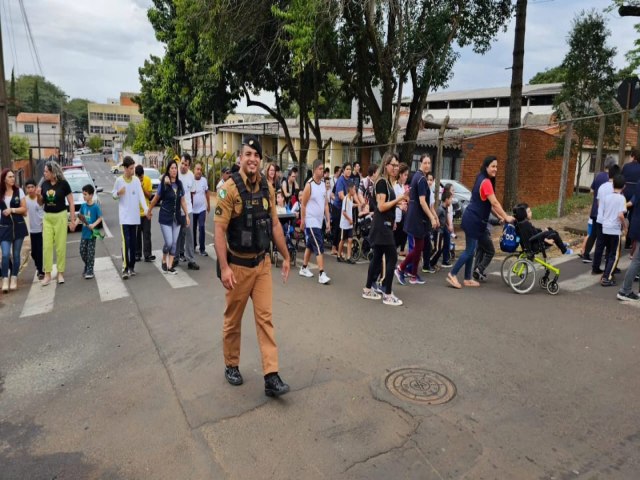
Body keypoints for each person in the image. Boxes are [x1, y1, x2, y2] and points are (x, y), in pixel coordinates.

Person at [214, 135, 291, 397]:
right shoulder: (229, 189)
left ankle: (271, 375)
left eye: (256, 155)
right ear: (240, 158)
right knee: (233, 321)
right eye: (248, 154)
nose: (253, 159)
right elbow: (219, 230)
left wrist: (287, 256)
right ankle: (231, 364)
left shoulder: (268, 188)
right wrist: (224, 268)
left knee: (265, 320)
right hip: (237, 267)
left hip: (262, 265)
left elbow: (275, 225)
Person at [446, 156, 514, 289]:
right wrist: (506, 217)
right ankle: (452, 274)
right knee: (470, 250)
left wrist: (501, 216)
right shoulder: (486, 182)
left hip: (478, 222)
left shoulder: (482, 178)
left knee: (471, 250)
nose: (495, 169)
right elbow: (494, 202)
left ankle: (467, 278)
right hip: (473, 220)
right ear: (486, 167)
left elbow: (491, 205)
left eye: (496, 167)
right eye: (493, 166)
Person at [362, 153, 409, 305]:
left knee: (377, 258)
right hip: (381, 226)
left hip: (385, 224)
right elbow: (381, 207)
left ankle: (368, 289)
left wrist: (397, 205)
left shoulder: (388, 183)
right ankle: (387, 293)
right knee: (392, 257)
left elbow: (386, 204)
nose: (396, 168)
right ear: (386, 165)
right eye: (393, 165)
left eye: (397, 165)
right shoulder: (381, 182)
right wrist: (400, 199)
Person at [395, 155, 437, 286]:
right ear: (420, 163)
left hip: (415, 216)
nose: (427, 165)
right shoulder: (421, 179)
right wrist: (432, 217)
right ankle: (401, 268)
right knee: (418, 246)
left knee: (419, 247)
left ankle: (413, 275)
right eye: (425, 162)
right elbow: (422, 201)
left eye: (429, 163)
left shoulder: (417, 177)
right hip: (417, 218)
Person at [148, 160, 189, 275]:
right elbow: (156, 199)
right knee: (169, 242)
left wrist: (186, 215)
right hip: (165, 217)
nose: (174, 170)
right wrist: (149, 210)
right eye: (171, 168)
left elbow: (183, 201)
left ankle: (170, 266)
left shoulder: (179, 184)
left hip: (177, 218)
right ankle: (164, 258)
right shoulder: (164, 184)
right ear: (168, 170)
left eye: (175, 168)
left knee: (175, 243)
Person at [112, 156, 149, 279]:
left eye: (133, 168)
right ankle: (125, 268)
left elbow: (141, 197)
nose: (133, 171)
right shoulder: (119, 181)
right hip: (124, 219)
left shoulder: (136, 181)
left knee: (133, 244)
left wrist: (147, 210)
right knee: (126, 243)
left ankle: (132, 267)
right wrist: (118, 193)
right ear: (125, 168)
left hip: (135, 218)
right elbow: (113, 195)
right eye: (131, 168)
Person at [40, 161, 76, 286]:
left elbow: (71, 202)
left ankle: (60, 273)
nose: (44, 173)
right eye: (44, 171)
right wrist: (37, 195)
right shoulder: (44, 184)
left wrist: (72, 220)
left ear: (53, 172)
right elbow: (41, 202)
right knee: (47, 247)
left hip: (60, 216)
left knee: (60, 247)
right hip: (47, 218)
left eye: (46, 171)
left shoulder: (64, 184)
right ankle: (47, 274)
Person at [299, 159, 331, 284]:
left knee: (310, 246)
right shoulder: (309, 185)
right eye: (320, 169)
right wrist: (303, 221)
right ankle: (322, 273)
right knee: (318, 245)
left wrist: (328, 220)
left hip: (319, 221)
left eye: (323, 169)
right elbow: (303, 205)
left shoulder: (323, 184)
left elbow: (326, 205)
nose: (323, 171)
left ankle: (304, 268)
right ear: (315, 170)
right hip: (311, 220)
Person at [580, 155, 617, 262]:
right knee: (605, 235)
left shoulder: (598, 176)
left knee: (593, 234)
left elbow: (592, 191)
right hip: (605, 211)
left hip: (595, 209)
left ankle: (586, 254)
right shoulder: (610, 179)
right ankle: (607, 256)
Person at [595, 174, 627, 286]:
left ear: (613, 184)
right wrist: (625, 226)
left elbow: (601, 210)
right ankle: (606, 277)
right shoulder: (622, 198)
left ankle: (606, 273)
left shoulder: (607, 197)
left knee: (608, 252)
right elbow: (621, 215)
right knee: (614, 254)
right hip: (615, 229)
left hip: (605, 227)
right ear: (624, 186)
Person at [0, 169, 28, 292]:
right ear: (4, 179)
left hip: (18, 226)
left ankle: (14, 277)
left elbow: (24, 209)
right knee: (5, 254)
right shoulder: (0, 193)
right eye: (10, 176)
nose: (13, 178)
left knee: (16, 255)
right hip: (4, 228)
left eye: (13, 176)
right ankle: (5, 278)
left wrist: (12, 210)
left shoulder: (19, 191)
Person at [592, 164, 621, 275]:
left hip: (600, 219)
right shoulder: (616, 188)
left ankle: (595, 267)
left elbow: (599, 203)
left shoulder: (602, 187)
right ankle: (610, 267)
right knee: (611, 246)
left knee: (600, 244)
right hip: (612, 221)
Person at [618, 178, 640, 301]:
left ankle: (625, 290)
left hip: (636, 224)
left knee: (637, 260)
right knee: (637, 260)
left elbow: (633, 201)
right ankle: (625, 290)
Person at [177, 153, 199, 270]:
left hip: (188, 210)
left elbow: (192, 193)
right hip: (176, 210)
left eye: (186, 164)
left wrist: (191, 210)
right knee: (177, 235)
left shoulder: (191, 176)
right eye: (182, 163)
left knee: (189, 235)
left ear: (189, 166)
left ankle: (190, 259)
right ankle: (175, 258)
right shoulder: (175, 173)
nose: (183, 166)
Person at [77, 184, 103, 279]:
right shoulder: (83, 206)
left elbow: (100, 218)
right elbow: (80, 216)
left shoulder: (95, 207)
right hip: (84, 234)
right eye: (83, 194)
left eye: (85, 194)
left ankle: (90, 270)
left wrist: (93, 225)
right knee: (82, 251)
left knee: (90, 252)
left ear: (91, 195)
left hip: (92, 234)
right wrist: (74, 223)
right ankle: (87, 265)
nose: (84, 196)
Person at [135, 165, 156, 263]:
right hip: (136, 213)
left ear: (143, 174)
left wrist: (142, 188)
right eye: (138, 177)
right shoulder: (133, 181)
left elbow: (150, 196)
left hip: (146, 212)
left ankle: (147, 254)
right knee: (137, 235)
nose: (140, 179)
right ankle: (137, 254)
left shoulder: (147, 180)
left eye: (141, 177)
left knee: (147, 234)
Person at [24, 179, 44, 280]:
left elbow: (44, 212)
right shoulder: (25, 200)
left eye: (32, 187)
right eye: (28, 187)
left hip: (40, 229)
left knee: (39, 251)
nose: (30, 189)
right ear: (26, 189)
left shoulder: (40, 199)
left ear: (35, 188)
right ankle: (38, 266)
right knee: (33, 253)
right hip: (29, 231)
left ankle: (40, 271)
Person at [330, 163, 352, 255]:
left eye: (350, 169)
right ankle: (334, 248)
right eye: (347, 169)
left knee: (343, 229)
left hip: (346, 208)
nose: (349, 171)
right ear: (343, 170)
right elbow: (340, 195)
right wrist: (349, 202)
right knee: (337, 228)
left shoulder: (350, 180)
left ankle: (339, 248)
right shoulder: (340, 180)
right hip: (338, 207)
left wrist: (359, 202)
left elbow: (354, 193)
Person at [429, 190, 453, 270]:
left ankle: (433, 263)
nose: (451, 200)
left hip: (442, 231)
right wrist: (432, 231)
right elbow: (434, 218)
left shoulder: (445, 208)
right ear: (446, 199)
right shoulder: (440, 209)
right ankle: (428, 262)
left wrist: (448, 226)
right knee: (437, 249)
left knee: (439, 249)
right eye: (450, 199)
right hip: (438, 232)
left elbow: (444, 220)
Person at [622, 148, 640, 249]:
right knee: (632, 217)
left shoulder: (626, 166)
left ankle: (618, 236)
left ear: (633, 156)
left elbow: (621, 179)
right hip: (635, 195)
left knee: (622, 215)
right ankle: (628, 242)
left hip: (625, 193)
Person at [192, 162, 210, 256]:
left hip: (202, 208)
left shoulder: (204, 180)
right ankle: (193, 245)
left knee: (202, 227)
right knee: (193, 228)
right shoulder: (191, 180)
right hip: (192, 210)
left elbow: (207, 193)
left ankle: (202, 249)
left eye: (200, 169)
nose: (199, 171)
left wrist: (209, 205)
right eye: (197, 169)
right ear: (194, 170)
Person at [337, 182, 357, 264]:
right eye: (354, 189)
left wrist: (358, 204)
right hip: (345, 224)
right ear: (350, 189)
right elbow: (344, 212)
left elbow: (351, 205)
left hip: (350, 224)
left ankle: (349, 257)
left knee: (350, 240)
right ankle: (339, 255)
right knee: (342, 240)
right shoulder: (345, 199)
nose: (355, 191)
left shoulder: (351, 198)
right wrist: (349, 220)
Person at [393, 163, 409, 255]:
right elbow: (393, 201)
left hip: (401, 216)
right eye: (405, 175)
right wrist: (400, 203)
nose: (406, 177)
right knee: (394, 242)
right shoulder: (395, 186)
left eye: (407, 175)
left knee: (402, 236)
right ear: (400, 174)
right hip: (395, 217)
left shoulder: (402, 186)